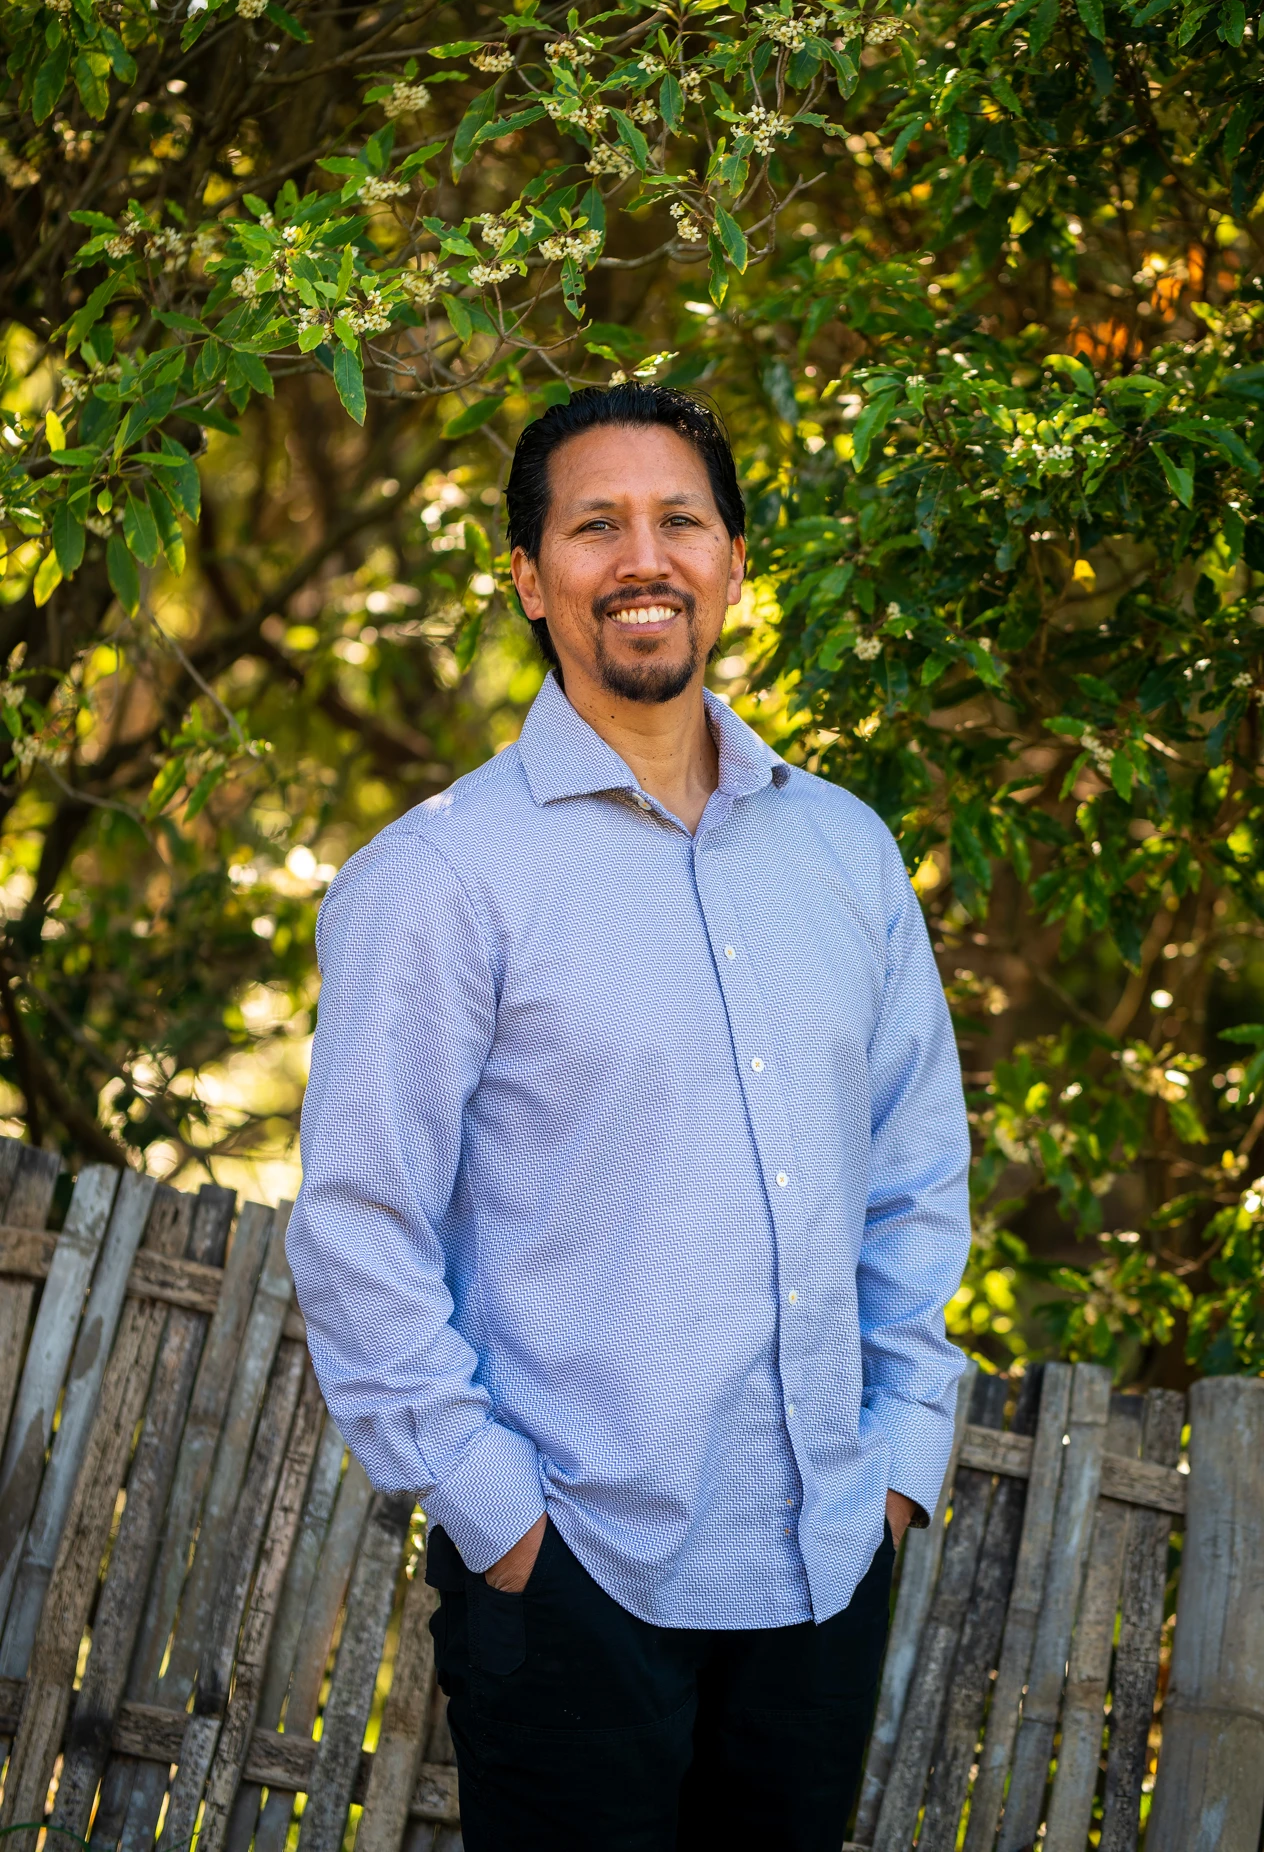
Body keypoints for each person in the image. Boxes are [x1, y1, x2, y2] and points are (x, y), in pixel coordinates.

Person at [287, 383, 971, 1852]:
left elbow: (915, 1176)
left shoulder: (845, 855)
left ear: (733, 561)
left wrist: (904, 1459)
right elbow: (358, 1231)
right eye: (595, 526)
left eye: (681, 520)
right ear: (531, 577)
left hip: (825, 1572)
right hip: (578, 1589)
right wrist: (509, 1530)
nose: (641, 556)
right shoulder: (440, 878)